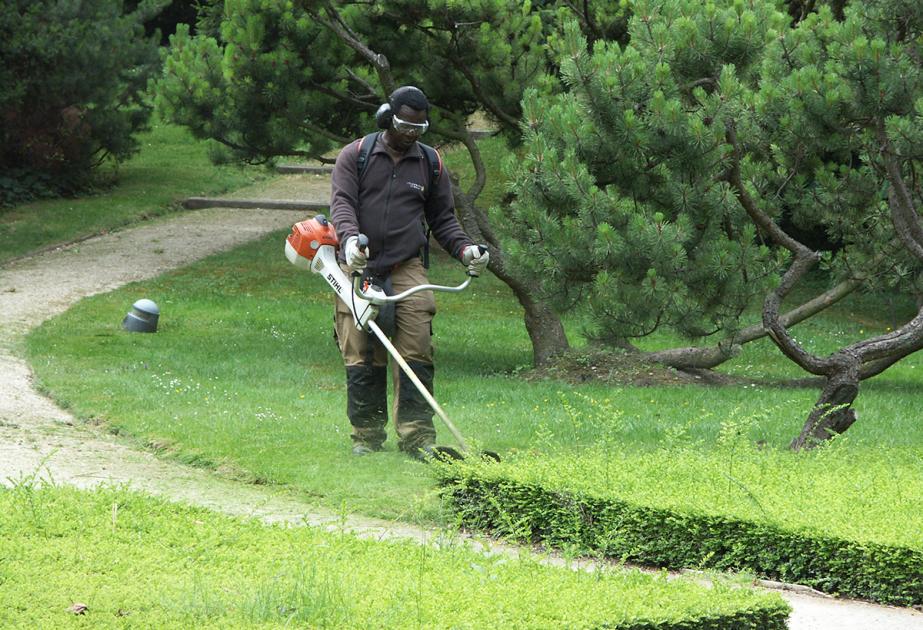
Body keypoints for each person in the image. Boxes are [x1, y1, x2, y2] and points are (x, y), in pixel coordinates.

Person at [329, 85, 489, 460]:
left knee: (416, 347)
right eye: (404, 125)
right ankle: (366, 435)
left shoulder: (430, 164)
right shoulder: (356, 155)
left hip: (407, 267)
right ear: (387, 119)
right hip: (358, 265)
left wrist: (466, 249)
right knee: (361, 350)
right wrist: (350, 242)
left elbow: (443, 220)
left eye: (419, 128)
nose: (411, 134)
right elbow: (342, 204)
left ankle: (418, 438)